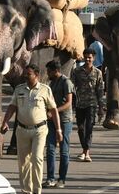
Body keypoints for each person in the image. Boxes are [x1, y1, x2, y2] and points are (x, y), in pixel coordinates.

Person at [0, 64, 62, 194]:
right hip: (22, 130)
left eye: (29, 74)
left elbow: (54, 110)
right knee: (24, 162)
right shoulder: (19, 89)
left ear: (37, 75)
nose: (26, 76)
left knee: (37, 158)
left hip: (39, 130)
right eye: (25, 74)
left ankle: (36, 190)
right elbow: (12, 106)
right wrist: (5, 122)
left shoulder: (45, 89)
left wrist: (58, 130)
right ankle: (26, 190)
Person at [43, 60, 74, 189]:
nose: (47, 74)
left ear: (56, 70)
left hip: (64, 120)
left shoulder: (66, 82)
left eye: (49, 71)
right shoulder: (51, 83)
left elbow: (68, 102)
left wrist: (55, 111)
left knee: (63, 150)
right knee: (50, 149)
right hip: (51, 120)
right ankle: (50, 178)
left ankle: (62, 178)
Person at [71, 48, 105, 162]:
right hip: (80, 103)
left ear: (94, 58)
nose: (87, 59)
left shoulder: (98, 73)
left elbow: (100, 90)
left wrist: (101, 108)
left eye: (90, 57)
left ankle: (86, 152)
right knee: (81, 128)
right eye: (85, 57)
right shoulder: (77, 71)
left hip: (92, 104)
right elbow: (72, 87)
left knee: (89, 128)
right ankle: (84, 149)